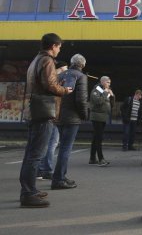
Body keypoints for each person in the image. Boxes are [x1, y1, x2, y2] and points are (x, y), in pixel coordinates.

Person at [20, 33, 72, 208]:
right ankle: (28, 193)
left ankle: (30, 190)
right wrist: (65, 90)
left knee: (31, 153)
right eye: (59, 47)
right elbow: (50, 85)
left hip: (34, 110)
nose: (59, 50)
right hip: (44, 111)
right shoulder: (48, 61)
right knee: (36, 154)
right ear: (53, 46)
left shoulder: (36, 59)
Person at [51, 54, 89, 190]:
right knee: (65, 149)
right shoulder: (81, 76)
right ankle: (59, 179)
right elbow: (81, 99)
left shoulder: (62, 74)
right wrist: (84, 115)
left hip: (59, 115)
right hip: (72, 117)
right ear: (83, 65)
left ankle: (61, 176)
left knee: (62, 147)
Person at [37, 61, 67, 180]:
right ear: (60, 68)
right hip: (52, 115)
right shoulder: (55, 79)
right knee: (52, 143)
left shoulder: (53, 79)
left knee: (46, 143)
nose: (67, 70)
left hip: (49, 114)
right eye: (65, 68)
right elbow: (56, 97)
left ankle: (40, 169)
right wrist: (64, 89)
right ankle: (46, 169)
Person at [89, 76, 114, 167]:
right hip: (97, 116)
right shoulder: (97, 89)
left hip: (103, 116)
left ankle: (92, 158)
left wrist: (112, 96)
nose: (109, 84)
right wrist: (105, 93)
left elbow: (111, 104)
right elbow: (98, 101)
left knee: (96, 137)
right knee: (99, 138)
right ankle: (101, 159)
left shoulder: (104, 90)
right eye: (108, 82)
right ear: (102, 82)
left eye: (109, 83)